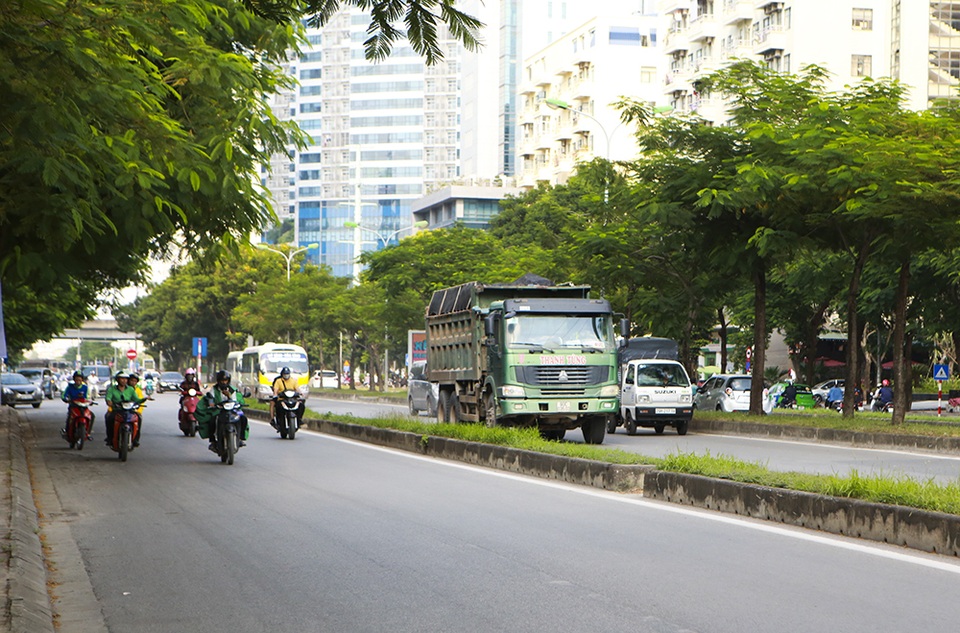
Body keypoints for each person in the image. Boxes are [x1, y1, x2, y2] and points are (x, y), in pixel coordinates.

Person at [196, 370, 248, 452]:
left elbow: (237, 400)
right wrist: (212, 404)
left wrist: (229, 395)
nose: (224, 382)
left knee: (243, 418)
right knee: (212, 420)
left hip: (233, 410)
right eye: (222, 380)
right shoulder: (214, 389)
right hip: (219, 410)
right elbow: (210, 398)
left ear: (228, 381)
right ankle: (213, 441)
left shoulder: (232, 389)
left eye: (225, 380)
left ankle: (241, 438)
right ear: (218, 381)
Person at [103, 372, 138, 447]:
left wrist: (143, 400)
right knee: (109, 418)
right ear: (117, 380)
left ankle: (135, 439)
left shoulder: (131, 389)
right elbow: (108, 397)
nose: (124, 380)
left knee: (138, 418)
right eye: (122, 378)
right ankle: (110, 438)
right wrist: (109, 401)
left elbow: (136, 399)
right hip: (117, 410)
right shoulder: (112, 389)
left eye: (125, 379)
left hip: (129, 410)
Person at [270, 366, 304, 431]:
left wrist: (300, 393)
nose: (286, 375)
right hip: (282, 400)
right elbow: (276, 390)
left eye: (287, 374)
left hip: (292, 399)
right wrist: (275, 395)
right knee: (278, 407)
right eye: (285, 374)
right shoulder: (278, 381)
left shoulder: (293, 381)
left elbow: (297, 389)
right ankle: (275, 421)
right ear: (282, 374)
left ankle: (299, 420)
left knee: (301, 406)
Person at [60, 371, 90, 438]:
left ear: (82, 380)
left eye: (80, 380)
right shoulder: (70, 387)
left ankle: (88, 432)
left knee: (91, 416)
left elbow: (88, 397)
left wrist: (89, 401)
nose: (78, 381)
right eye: (76, 380)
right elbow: (64, 395)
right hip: (73, 406)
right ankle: (67, 431)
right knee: (70, 418)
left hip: (83, 407)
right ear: (74, 380)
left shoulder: (85, 387)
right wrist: (65, 399)